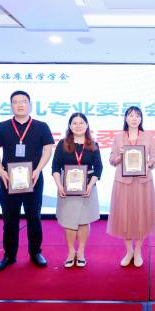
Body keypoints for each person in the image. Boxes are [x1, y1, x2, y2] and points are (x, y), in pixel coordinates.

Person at [0, 90, 55, 271]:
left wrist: (38, 170)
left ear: (30, 105)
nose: (20, 105)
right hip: (8, 180)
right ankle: (9, 255)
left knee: (34, 217)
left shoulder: (41, 126)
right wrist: (1, 171)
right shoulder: (2, 127)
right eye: (15, 102)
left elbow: (48, 149)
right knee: (10, 219)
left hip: (33, 179)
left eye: (23, 101)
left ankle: (36, 253)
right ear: (11, 106)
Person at [107, 106, 155, 268]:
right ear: (126, 118)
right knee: (125, 217)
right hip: (123, 182)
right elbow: (111, 160)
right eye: (131, 115)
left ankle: (138, 251)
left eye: (137, 115)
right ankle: (129, 251)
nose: (134, 118)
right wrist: (120, 156)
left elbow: (154, 157)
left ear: (141, 119)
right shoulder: (118, 137)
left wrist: (149, 164)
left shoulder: (148, 136)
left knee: (142, 216)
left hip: (143, 182)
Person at [52, 113, 103, 268]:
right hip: (67, 188)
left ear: (87, 125)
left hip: (87, 187)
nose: (78, 126)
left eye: (81, 123)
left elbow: (98, 168)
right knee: (69, 221)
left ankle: (80, 252)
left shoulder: (93, 145)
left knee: (83, 221)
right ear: (70, 126)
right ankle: (70, 252)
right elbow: (55, 167)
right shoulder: (62, 144)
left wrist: (90, 185)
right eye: (75, 123)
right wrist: (59, 185)